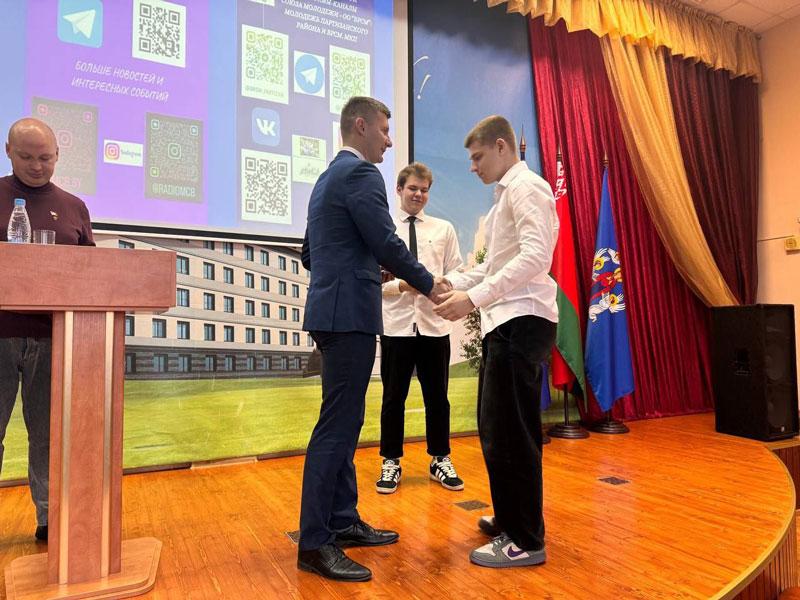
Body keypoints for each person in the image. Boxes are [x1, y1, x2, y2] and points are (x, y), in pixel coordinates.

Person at [298, 97, 450, 582]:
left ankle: (342, 521)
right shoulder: (362, 175)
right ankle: (315, 542)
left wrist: (363, 266)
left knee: (344, 423)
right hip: (350, 316)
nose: (389, 139)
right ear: (360, 126)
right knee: (336, 429)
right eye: (384, 130)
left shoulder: (326, 179)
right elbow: (387, 241)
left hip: (331, 312)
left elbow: (310, 254)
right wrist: (429, 284)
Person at [434, 115, 559, 568]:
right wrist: (449, 283)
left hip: (522, 321)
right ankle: (510, 517)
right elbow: (491, 267)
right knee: (496, 429)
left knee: (513, 433)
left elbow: (536, 257)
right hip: (506, 322)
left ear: (503, 147)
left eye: (478, 156)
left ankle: (526, 540)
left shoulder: (527, 188)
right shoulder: (505, 197)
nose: (472, 167)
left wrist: (472, 298)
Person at [0, 117, 95, 542]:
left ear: (57, 155)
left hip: (53, 337)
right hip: (1, 332)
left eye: (45, 157)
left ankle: (49, 518)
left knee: (48, 435)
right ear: (8, 151)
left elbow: (91, 272)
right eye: (26, 156)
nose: (37, 166)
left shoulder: (74, 207)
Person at [376, 162, 464, 495]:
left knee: (437, 398)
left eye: (424, 190)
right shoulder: (383, 229)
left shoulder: (444, 229)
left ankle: (440, 458)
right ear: (399, 189)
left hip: (434, 326)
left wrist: (442, 283)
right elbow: (373, 280)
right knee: (393, 398)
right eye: (413, 188)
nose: (419, 195)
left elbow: (457, 272)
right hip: (396, 326)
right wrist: (403, 286)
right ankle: (391, 461)